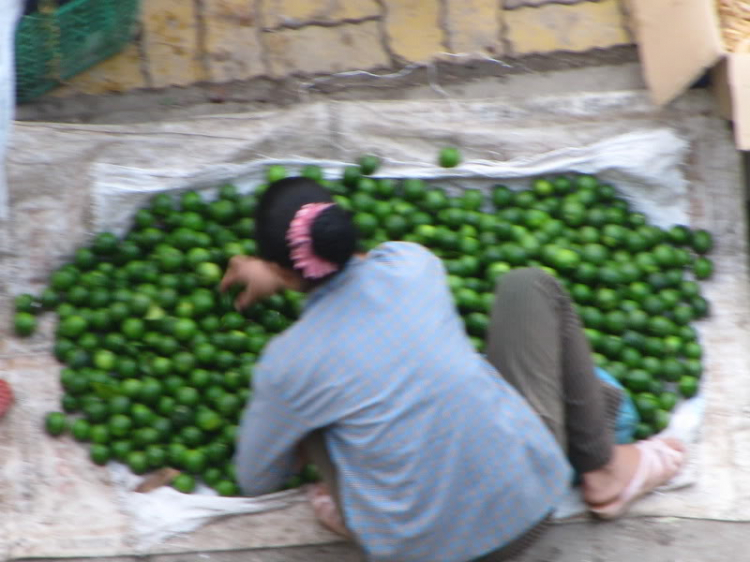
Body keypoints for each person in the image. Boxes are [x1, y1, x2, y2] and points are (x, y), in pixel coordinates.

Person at [221, 177, 686, 562]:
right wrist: (284, 272)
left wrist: (279, 279)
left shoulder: (286, 362)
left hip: (411, 548)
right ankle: (605, 469)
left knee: (309, 413)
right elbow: (365, 268)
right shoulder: (414, 265)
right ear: (343, 227)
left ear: (281, 270)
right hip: (530, 500)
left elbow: (256, 477)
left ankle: (362, 511)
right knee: (528, 286)